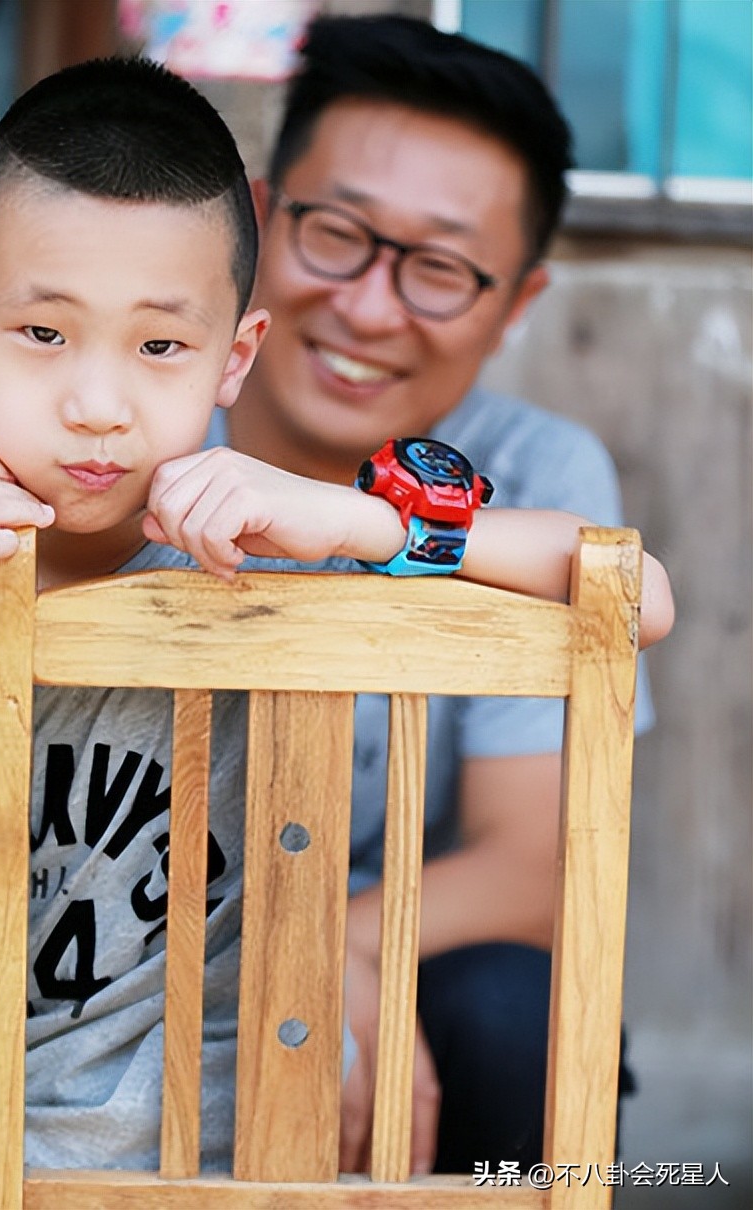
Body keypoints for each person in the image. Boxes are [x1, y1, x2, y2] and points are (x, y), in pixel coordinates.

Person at [0, 47, 673, 1210]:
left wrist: (359, 521)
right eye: (43, 334)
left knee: (512, 1013)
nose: (97, 401)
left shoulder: (259, 547)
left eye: (159, 347)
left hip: (267, 1119)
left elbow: (636, 596)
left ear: (227, 358)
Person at [204, 12, 662, 1177]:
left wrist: (335, 943)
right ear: (260, 216)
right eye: (337, 232)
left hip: (399, 948)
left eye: (442, 267)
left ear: (518, 301)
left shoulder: (545, 478)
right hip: (126, 937)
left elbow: (534, 862)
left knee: (521, 1009)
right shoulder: (128, 423)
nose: (367, 307)